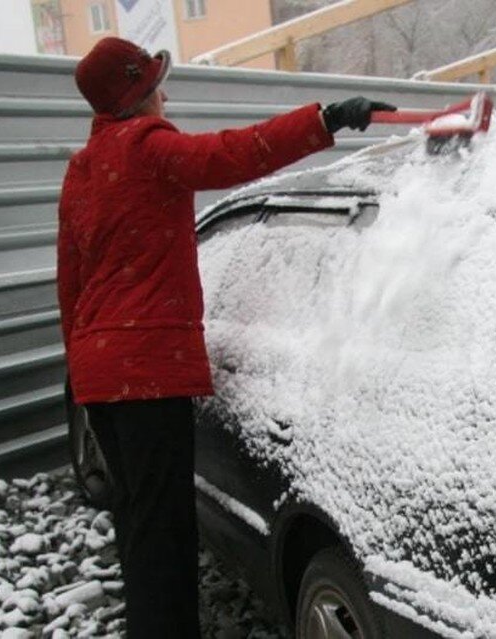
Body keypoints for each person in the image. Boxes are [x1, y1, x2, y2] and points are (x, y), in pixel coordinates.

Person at [56, 36, 395, 638]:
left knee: (138, 521)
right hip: (147, 373)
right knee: (164, 528)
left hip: (100, 370)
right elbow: (234, 155)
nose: (166, 91)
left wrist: (80, 373)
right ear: (136, 97)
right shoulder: (147, 147)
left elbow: (70, 280)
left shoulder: (84, 168)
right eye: (156, 82)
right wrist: (325, 119)